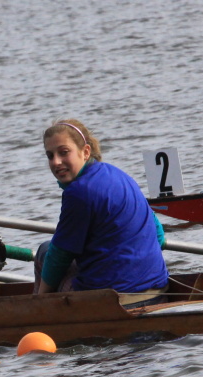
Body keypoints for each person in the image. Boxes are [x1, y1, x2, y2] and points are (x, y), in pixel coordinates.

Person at [35, 119, 169, 303]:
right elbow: (159, 235)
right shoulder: (120, 175)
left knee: (44, 251)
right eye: (50, 156)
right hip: (160, 289)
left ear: (85, 152)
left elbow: (59, 256)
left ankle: (41, 313)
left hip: (115, 300)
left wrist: (39, 298)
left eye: (64, 152)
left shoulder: (78, 192)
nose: (56, 162)